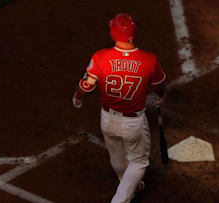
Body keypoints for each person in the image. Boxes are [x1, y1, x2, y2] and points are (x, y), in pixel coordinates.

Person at [72, 13, 166, 203]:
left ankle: (128, 184)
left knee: (116, 156)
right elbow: (159, 85)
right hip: (133, 122)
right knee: (139, 163)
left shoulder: (100, 57)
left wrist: (77, 97)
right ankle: (120, 199)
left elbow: (86, 85)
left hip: (107, 120)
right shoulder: (149, 60)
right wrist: (161, 95)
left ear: (112, 33)